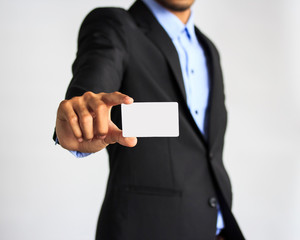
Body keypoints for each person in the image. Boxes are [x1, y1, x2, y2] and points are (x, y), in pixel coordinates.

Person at [54, 0, 245, 239]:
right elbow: (95, 78)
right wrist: (80, 115)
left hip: (217, 229)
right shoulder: (116, 26)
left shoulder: (208, 50)